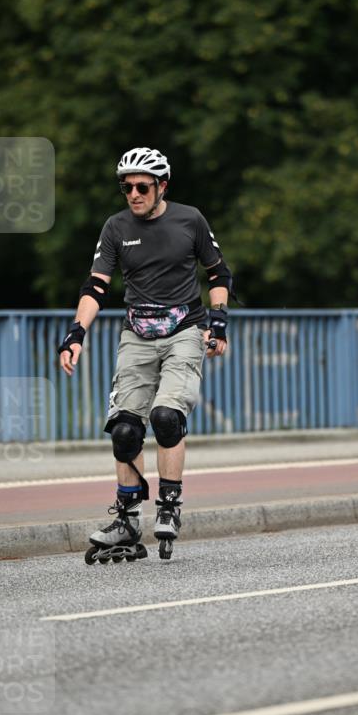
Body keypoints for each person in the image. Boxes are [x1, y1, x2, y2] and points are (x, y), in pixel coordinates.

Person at [58, 146, 234, 560]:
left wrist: (219, 322)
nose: (133, 194)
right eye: (126, 187)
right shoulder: (115, 227)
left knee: (166, 417)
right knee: (124, 429)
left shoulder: (189, 220)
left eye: (142, 187)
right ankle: (127, 519)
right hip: (136, 334)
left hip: (184, 331)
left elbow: (218, 273)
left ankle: (169, 507)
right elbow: (96, 286)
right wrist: (76, 334)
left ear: (162, 186)